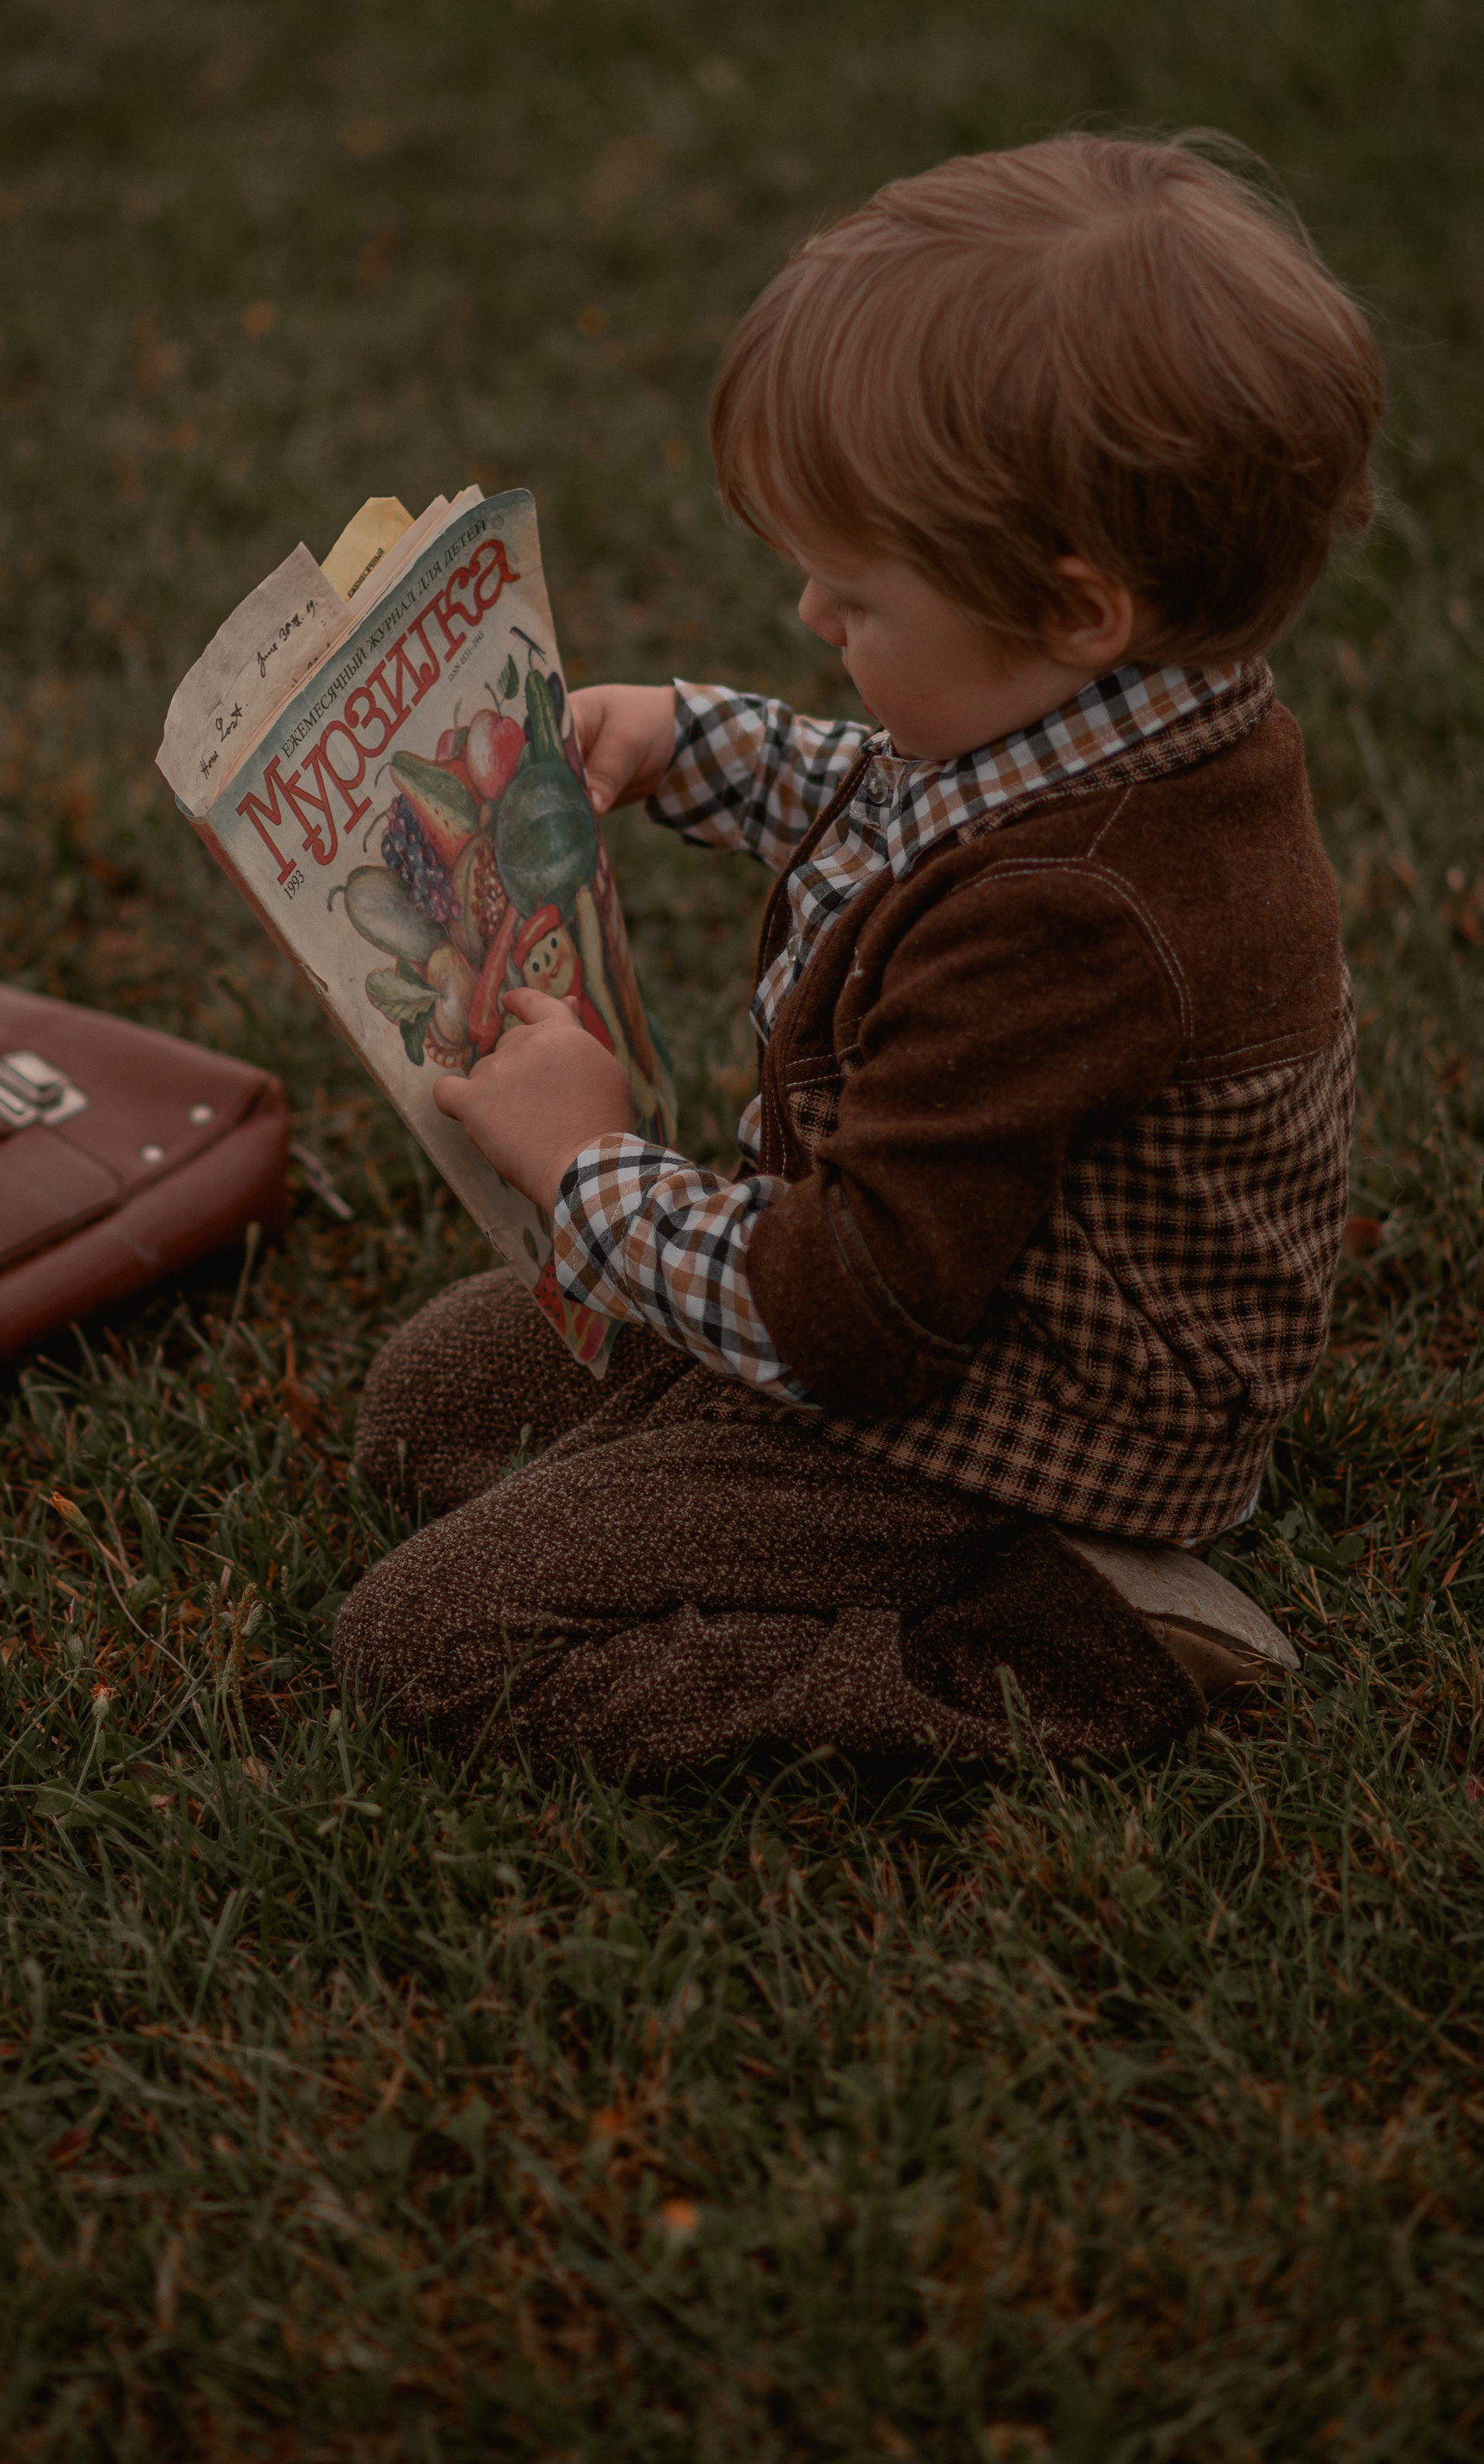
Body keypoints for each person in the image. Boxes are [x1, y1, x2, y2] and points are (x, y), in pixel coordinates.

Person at [333, 132, 1384, 1772]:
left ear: (1075, 606)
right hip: (917, 1313)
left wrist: (589, 1164)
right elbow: (895, 797)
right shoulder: (1109, 722)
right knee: (430, 1405)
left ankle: (1054, 1641)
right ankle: (789, 1518)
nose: (811, 619)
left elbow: (848, 1321)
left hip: (998, 1418)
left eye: (855, 595)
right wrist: (683, 741)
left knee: (430, 1643)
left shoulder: (1078, 916)